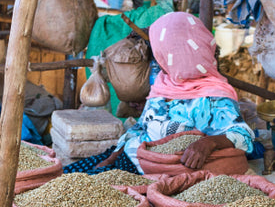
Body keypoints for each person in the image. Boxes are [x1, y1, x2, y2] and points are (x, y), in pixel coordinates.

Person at [66, 11, 254, 174]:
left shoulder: (214, 97)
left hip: (158, 170)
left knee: (80, 191)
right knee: (66, 175)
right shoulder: (164, 82)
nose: (157, 58)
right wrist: (113, 156)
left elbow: (243, 136)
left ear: (181, 54)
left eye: (162, 51)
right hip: (130, 154)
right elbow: (140, 128)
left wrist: (208, 144)